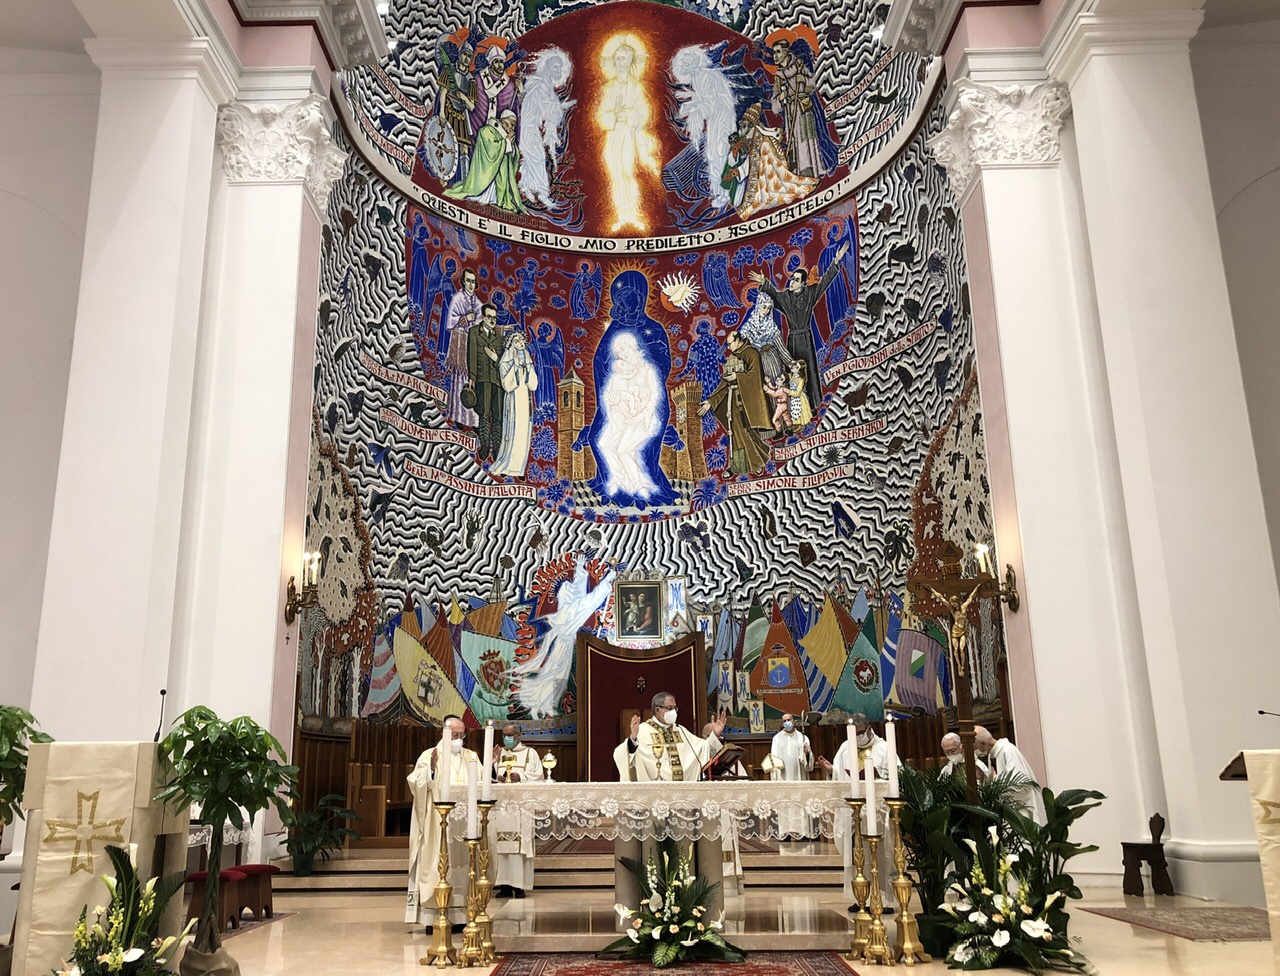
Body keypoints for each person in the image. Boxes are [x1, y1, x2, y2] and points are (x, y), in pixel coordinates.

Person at [749, 243, 849, 410]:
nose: (792, 282)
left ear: (802, 283)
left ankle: (812, 405)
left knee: (809, 371)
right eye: (792, 279)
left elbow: (824, 283)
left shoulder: (810, 294)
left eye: (796, 280)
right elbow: (774, 295)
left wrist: (836, 261)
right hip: (793, 340)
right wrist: (764, 282)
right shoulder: (786, 297)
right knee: (792, 371)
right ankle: (795, 410)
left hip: (806, 338)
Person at [406, 716, 479, 930]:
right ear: (444, 733)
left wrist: (491, 768)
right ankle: (434, 917)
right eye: (454, 735)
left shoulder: (471, 757)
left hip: (464, 824)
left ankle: (462, 917)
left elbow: (482, 783)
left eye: (461, 735)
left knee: (462, 867)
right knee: (437, 864)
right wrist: (431, 770)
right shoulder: (430, 755)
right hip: (437, 822)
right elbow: (416, 783)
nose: (458, 739)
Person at [821, 713, 894, 914]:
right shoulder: (846, 748)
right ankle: (859, 897)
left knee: (880, 853)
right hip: (851, 811)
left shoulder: (884, 748)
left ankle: (883, 899)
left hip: (876, 811)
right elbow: (839, 776)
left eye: (861, 732)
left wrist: (878, 776)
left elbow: (897, 775)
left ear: (869, 728)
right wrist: (831, 770)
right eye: (854, 733)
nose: (858, 736)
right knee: (854, 853)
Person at [597, 35, 659, 232]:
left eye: (623, 58)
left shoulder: (636, 86)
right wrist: (615, 113)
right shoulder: (609, 88)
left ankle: (632, 214)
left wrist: (631, 115)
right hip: (613, 135)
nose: (619, 62)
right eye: (617, 58)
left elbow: (645, 112)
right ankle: (621, 215)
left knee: (627, 172)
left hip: (628, 134)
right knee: (615, 176)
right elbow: (601, 116)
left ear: (631, 61)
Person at [698, 331, 773, 476]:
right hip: (733, 403)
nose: (728, 347)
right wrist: (711, 401)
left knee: (744, 433)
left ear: (738, 340)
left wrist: (737, 377)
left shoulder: (751, 354)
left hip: (747, 402)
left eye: (730, 344)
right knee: (737, 434)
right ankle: (741, 464)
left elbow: (755, 376)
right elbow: (724, 383)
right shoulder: (734, 356)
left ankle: (755, 464)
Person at [614, 693, 725, 782]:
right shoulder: (642, 730)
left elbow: (703, 749)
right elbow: (621, 753)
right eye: (670, 708)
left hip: (682, 791)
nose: (674, 712)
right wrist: (633, 739)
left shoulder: (680, 730)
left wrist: (716, 735)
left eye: (675, 708)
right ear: (658, 710)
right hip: (654, 792)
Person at [491, 723, 544, 898]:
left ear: (519, 735)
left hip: (521, 808)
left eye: (511, 735)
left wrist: (520, 777)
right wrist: (495, 772)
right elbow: (488, 776)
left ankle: (519, 885)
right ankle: (504, 885)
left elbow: (539, 776)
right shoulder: (499, 754)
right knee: (501, 846)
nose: (507, 738)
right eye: (504, 735)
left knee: (519, 848)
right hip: (501, 807)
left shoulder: (530, 753)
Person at [444, 110, 525, 214]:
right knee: (479, 197)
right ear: (503, 121)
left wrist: (511, 146)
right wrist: (506, 143)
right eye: (511, 124)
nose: (512, 128)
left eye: (514, 126)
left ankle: (498, 199)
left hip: (500, 178)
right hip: (485, 177)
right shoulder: (487, 130)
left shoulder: (505, 136)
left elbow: (512, 157)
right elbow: (491, 152)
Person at [975, 725, 1046, 825]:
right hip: (1009, 810)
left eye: (976, 747)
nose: (976, 752)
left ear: (983, 743)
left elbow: (1021, 783)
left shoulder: (1008, 751)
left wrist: (995, 779)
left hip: (1021, 809)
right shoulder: (992, 755)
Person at [490, 328, 537, 478]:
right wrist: (516, 368)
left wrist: (527, 368)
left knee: (524, 431)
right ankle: (506, 467)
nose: (520, 343)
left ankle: (519, 469)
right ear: (511, 344)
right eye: (516, 341)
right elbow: (506, 383)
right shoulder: (506, 360)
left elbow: (533, 383)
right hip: (514, 398)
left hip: (525, 398)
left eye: (521, 340)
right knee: (513, 430)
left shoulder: (527, 358)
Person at [443, 268, 482, 428]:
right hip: (460, 343)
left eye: (473, 281)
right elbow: (451, 321)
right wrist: (465, 318)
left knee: (473, 380)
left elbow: (480, 324)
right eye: (468, 281)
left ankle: (472, 421)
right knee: (460, 380)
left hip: (472, 346)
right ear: (463, 282)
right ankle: (458, 417)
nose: (471, 284)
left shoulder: (478, 303)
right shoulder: (457, 299)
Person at [468, 304, 506, 463]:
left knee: (498, 416)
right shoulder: (474, 332)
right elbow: (471, 356)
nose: (492, 320)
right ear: (483, 317)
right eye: (489, 317)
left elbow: (503, 360)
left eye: (494, 318)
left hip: (497, 381)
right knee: (484, 414)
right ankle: (484, 446)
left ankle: (497, 449)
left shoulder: (500, 338)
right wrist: (472, 378)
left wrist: (496, 359)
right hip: (482, 379)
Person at [769, 713, 814, 840]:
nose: (787, 722)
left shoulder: (802, 737)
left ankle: (802, 832)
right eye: (784, 721)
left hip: (799, 776)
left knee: (799, 802)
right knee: (785, 803)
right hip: (784, 777)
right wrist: (776, 772)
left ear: (793, 721)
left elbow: (809, 758)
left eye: (789, 720)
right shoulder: (777, 738)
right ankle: (785, 832)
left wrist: (807, 753)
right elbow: (774, 757)